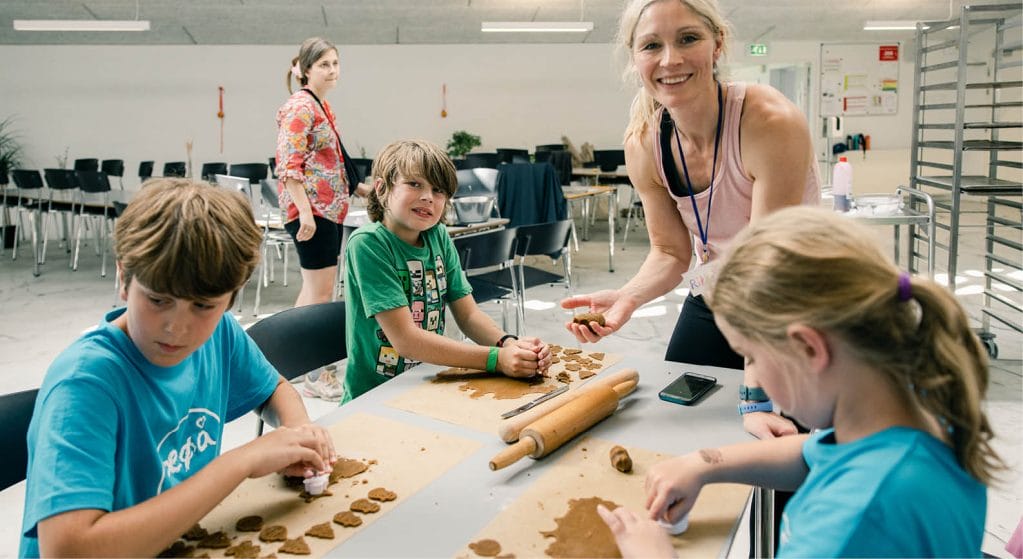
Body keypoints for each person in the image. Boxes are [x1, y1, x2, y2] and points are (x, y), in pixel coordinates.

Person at [596, 207, 1005, 557]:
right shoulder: (917, 407)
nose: (754, 374)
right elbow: (814, 452)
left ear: (809, 349)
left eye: (752, 357)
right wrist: (702, 463)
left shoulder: (851, 521)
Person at [19, 180, 336, 557]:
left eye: (203, 306)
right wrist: (241, 462)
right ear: (124, 280)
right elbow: (69, 549)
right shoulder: (85, 385)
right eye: (157, 299)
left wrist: (296, 435)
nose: (176, 327)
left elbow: (273, 389)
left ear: (230, 300)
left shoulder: (220, 335)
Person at [561, 0, 821, 439]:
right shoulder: (645, 144)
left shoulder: (768, 122)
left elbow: (767, 274)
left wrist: (755, 398)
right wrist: (628, 297)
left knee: (784, 449)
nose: (670, 60)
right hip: (717, 293)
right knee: (680, 423)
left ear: (717, 45)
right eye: (651, 46)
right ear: (635, 60)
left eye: (688, 39)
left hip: (795, 298)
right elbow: (670, 252)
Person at [342, 139, 552, 402]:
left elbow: (469, 315)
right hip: (374, 396)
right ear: (382, 188)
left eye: (438, 190)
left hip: (426, 385)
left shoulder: (438, 235)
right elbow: (406, 340)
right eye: (415, 184)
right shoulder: (369, 243)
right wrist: (497, 360)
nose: (428, 197)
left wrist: (509, 344)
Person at [275, 37, 370, 401]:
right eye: (324, 64)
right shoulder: (300, 106)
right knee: (319, 295)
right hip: (312, 212)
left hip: (326, 209)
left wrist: (360, 189)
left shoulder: (320, 106)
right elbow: (289, 164)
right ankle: (316, 373)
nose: (332, 70)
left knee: (313, 293)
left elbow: (332, 160)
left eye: (335, 63)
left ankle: (292, 363)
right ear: (305, 69)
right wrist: (304, 213)